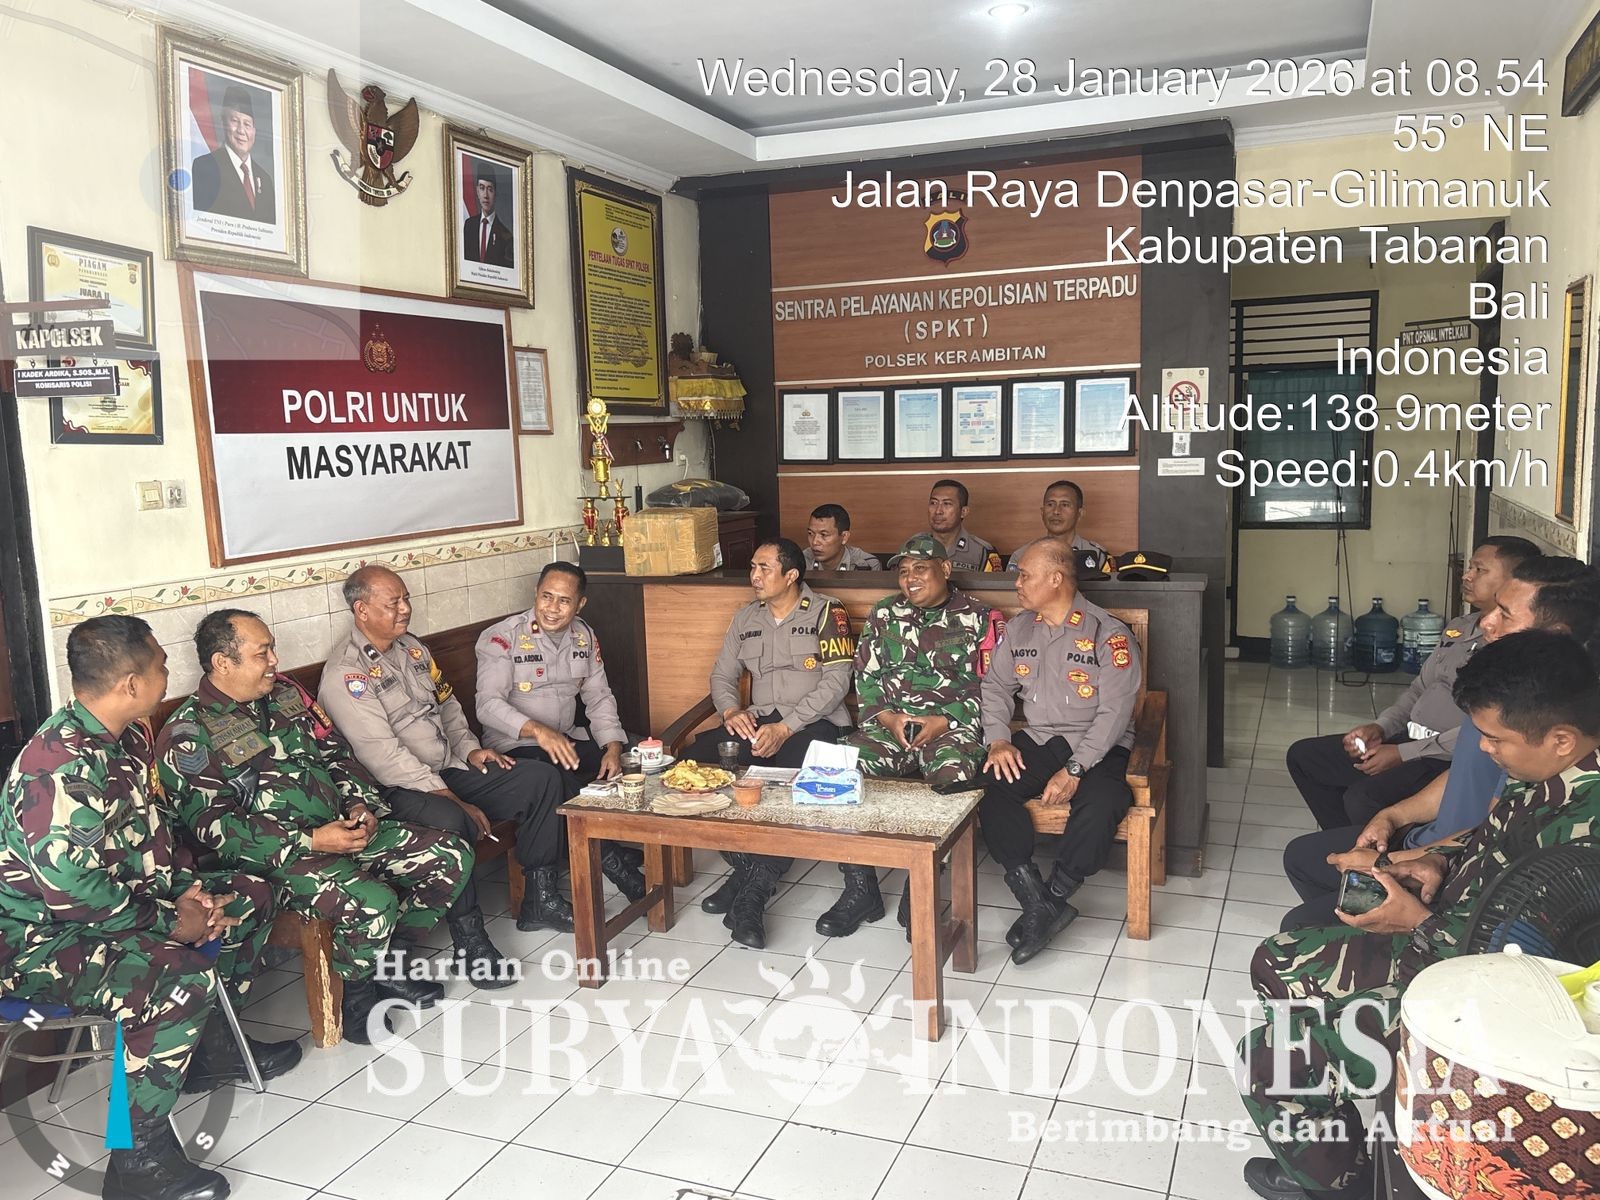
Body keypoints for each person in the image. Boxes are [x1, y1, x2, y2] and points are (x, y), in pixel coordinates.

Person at [1238, 629, 1600, 1200]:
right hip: (1447, 933)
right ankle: (1341, 1152)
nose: (1484, 750)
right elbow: (1491, 837)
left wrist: (1413, 921)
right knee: (1276, 960)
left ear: (1560, 738)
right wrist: (1434, 859)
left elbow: (1518, 967)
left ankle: (1335, 1184)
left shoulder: (1584, 833)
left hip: (1481, 999)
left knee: (1272, 1059)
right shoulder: (1550, 775)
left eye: (1494, 738)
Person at [0, 616, 299, 1200]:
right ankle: (138, 1162)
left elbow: (149, 842)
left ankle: (211, 1051)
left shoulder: (128, 735)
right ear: (131, 684)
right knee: (177, 980)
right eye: (161, 665)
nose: (169, 673)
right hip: (39, 941)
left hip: (122, 907)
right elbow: (74, 893)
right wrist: (172, 918)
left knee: (253, 893)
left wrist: (190, 893)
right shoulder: (57, 768)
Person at [157, 611, 495, 1041]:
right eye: (262, 653)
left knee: (450, 855)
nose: (275, 661)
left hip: (341, 829)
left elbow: (337, 754)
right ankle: (357, 999)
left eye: (272, 649)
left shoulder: (286, 696)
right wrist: (312, 839)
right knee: (373, 900)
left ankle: (387, 962)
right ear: (223, 663)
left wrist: (359, 804)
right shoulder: (188, 733)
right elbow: (215, 826)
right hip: (276, 858)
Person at [1279, 556, 1599, 929]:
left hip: (1459, 878)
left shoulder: (1543, 727)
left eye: (1505, 614)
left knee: (1301, 924)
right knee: (1305, 857)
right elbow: (1463, 772)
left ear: (1555, 633)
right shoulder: (1501, 689)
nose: (1487, 622)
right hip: (1436, 849)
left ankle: (1369, 934)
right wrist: (1392, 816)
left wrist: (1393, 864)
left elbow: (1492, 837)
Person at [318, 565, 574, 936]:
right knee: (453, 820)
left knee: (541, 779)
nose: (405, 608)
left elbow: (448, 705)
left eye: (406, 599)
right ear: (362, 610)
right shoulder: (347, 674)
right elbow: (381, 755)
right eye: (393, 603)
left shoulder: (413, 649)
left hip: (447, 766)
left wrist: (470, 750)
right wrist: (449, 796)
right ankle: (470, 938)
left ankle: (540, 898)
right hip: (396, 789)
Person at [818, 534, 1005, 938]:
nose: (910, 578)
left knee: (952, 779)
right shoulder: (884, 613)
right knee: (839, 770)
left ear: (946, 569)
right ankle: (860, 888)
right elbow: (866, 678)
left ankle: (919, 889)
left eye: (921, 568)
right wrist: (888, 719)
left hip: (951, 729)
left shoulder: (979, 617)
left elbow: (995, 688)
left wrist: (945, 721)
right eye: (903, 571)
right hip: (889, 727)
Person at [1284, 536, 1541, 831]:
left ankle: (1380, 852)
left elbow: (1477, 734)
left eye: (1479, 570)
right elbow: (1419, 688)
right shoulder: (1459, 627)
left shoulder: (1513, 648)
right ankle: (1342, 840)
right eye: (1469, 567)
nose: (1467, 576)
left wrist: (1403, 755)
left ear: (1514, 583)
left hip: (1442, 757)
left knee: (1363, 798)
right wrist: (1381, 728)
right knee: (1306, 758)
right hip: (1408, 737)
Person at [978, 539, 1142, 964]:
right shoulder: (1019, 629)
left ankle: (1056, 893)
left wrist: (1075, 769)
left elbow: (1115, 713)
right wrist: (998, 739)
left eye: (1024, 575)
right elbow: (995, 687)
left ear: (1055, 579)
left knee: (1104, 802)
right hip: (1040, 739)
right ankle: (1035, 901)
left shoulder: (1107, 634)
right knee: (992, 784)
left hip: (1098, 745)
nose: (1017, 584)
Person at [687, 538, 855, 949]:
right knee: (693, 762)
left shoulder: (827, 612)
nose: (755, 575)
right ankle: (745, 869)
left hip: (813, 724)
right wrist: (731, 711)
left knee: (789, 789)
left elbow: (836, 683)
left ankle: (753, 897)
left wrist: (787, 727)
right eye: (753, 567)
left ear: (791, 574)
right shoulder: (746, 616)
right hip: (759, 722)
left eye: (764, 568)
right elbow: (722, 676)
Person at [474, 560, 645, 901]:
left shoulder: (584, 635)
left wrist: (613, 745)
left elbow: (598, 696)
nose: (552, 608)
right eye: (546, 597)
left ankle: (616, 843)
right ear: (535, 594)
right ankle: (613, 863)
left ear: (580, 604)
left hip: (566, 739)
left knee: (638, 757)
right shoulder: (502, 638)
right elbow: (487, 705)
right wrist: (538, 731)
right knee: (557, 777)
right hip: (516, 746)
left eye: (564, 600)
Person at [191, 83, 275, 222]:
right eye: (235, 121)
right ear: (223, 123)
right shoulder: (205, 167)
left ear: (254, 131)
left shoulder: (265, 180)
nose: (241, 131)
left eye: (247, 124)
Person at [1004, 480, 1108, 571]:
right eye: (1050, 504)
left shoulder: (1098, 556)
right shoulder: (1021, 556)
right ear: (1042, 512)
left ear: (1079, 514)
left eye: (1065, 505)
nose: (1056, 511)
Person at [926, 479, 1002, 571]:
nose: (938, 511)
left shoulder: (982, 552)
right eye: (933, 503)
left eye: (947, 504)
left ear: (963, 512)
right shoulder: (913, 546)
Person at [804, 504, 882, 572]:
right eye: (810, 533)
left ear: (844, 537)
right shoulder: (802, 560)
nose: (814, 542)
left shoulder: (867, 565)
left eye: (824, 535)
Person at [463, 167, 514, 266]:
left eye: (490, 189)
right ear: (477, 191)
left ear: (495, 193)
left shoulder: (506, 236)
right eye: (482, 188)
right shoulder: (469, 225)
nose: (485, 195)